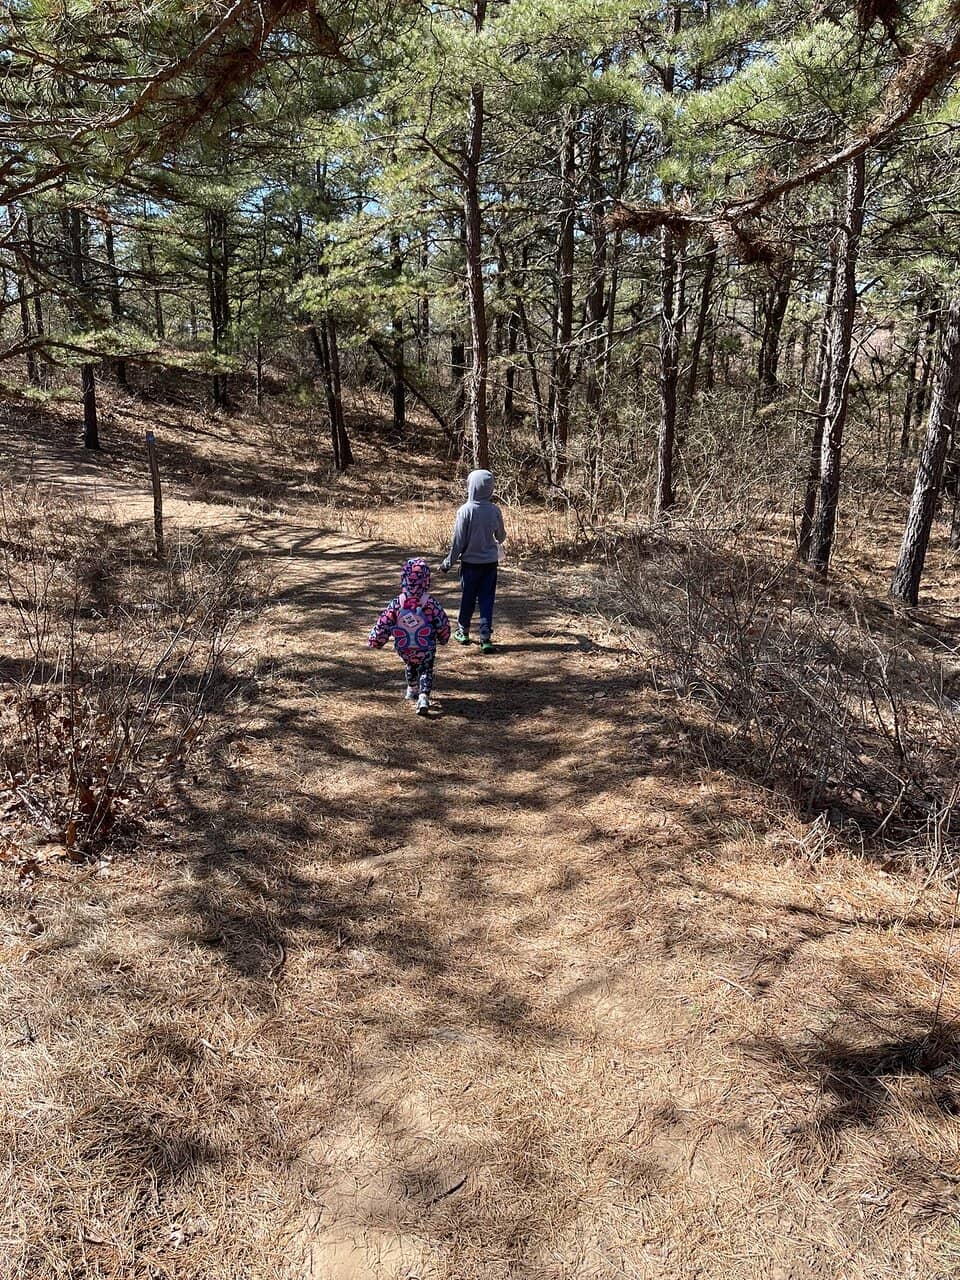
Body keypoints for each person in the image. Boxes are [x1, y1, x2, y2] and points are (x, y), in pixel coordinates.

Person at [367, 557, 450, 715]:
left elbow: (384, 622)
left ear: (404, 579)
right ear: (426, 581)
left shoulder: (398, 602)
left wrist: (376, 640)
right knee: (426, 668)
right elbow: (442, 621)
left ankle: (412, 688)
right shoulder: (430, 603)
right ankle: (424, 695)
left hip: (404, 646)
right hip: (426, 645)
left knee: (410, 664)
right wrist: (444, 637)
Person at [440, 468, 506, 654]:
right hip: (490, 565)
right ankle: (485, 637)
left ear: (471, 487)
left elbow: (457, 543)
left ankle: (464, 632)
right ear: (490, 488)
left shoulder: (465, 511)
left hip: (470, 565)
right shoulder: (494, 511)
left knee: (468, 598)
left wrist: (447, 563)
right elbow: (501, 537)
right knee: (487, 599)